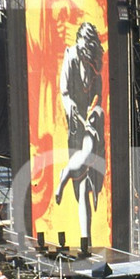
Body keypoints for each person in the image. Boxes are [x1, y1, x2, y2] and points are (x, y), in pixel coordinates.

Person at [54, 22, 106, 248]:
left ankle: (65, 172)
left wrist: (93, 115)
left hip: (91, 118)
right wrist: (74, 111)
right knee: (82, 187)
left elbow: (98, 97)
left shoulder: (95, 66)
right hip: (74, 120)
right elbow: (64, 91)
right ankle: (85, 239)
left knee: (88, 157)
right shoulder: (71, 56)